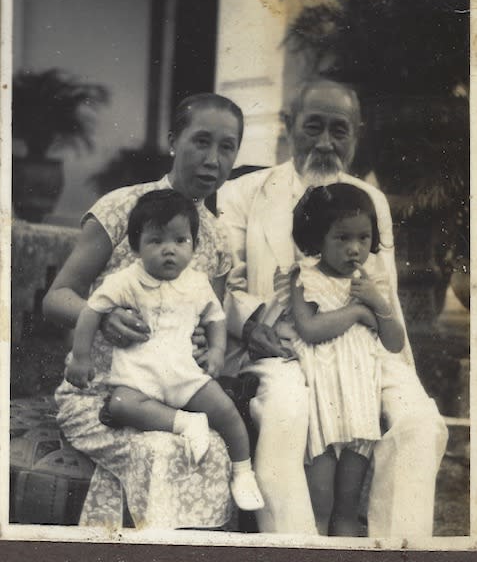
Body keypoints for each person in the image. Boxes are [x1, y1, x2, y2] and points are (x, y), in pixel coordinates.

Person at [217, 77, 448, 537]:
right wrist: (248, 327)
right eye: (313, 127)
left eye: (339, 130)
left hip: (362, 346)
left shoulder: (370, 202)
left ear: (356, 134)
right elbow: (227, 284)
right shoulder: (242, 194)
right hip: (279, 346)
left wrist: (401, 371)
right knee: (287, 411)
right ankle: (296, 542)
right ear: (288, 126)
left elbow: (384, 290)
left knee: (419, 420)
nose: (325, 143)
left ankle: (399, 546)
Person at [43, 92, 245, 529]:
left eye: (227, 148)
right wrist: (102, 318)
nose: (213, 159)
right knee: (162, 454)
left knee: (211, 451)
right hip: (99, 394)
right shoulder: (121, 208)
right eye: (201, 141)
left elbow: (209, 321)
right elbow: (56, 297)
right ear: (174, 141)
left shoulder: (217, 240)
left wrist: (200, 341)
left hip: (172, 394)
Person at [66, 189, 264, 511]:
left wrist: (215, 352)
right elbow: (92, 311)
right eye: (156, 241)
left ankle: (243, 472)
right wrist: (81, 357)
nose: (169, 251)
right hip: (139, 375)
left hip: (183, 374)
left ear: (193, 244)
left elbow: (215, 318)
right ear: (136, 247)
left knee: (227, 412)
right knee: (119, 404)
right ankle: (185, 423)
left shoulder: (197, 282)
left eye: (180, 241)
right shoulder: (125, 280)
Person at [278, 183, 404, 536]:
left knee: (348, 510)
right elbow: (310, 329)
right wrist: (357, 315)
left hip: (360, 406)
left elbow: (394, 342)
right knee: (321, 505)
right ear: (318, 238)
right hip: (323, 404)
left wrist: (379, 306)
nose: (355, 249)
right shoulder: (307, 277)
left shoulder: (370, 283)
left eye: (364, 239)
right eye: (342, 238)